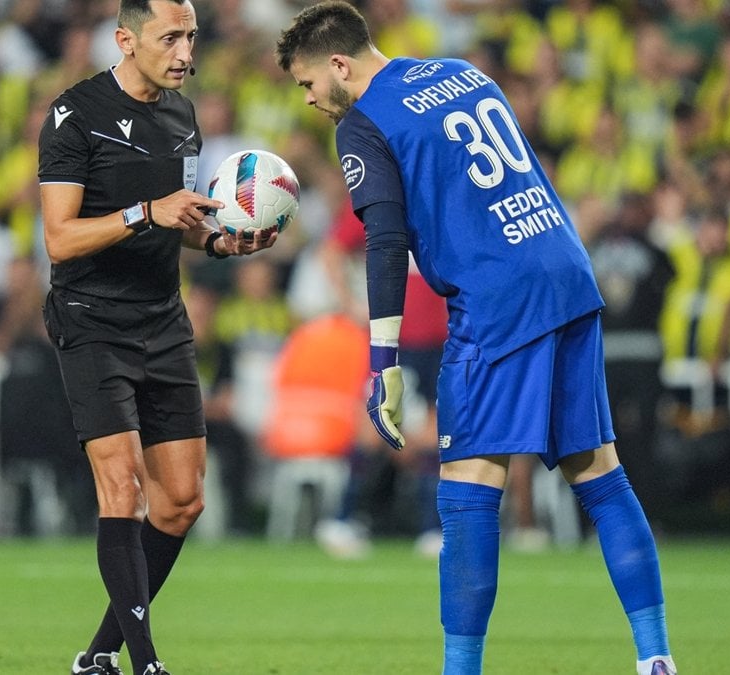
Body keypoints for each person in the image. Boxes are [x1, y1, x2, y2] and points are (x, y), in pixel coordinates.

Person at [276, 4, 675, 674]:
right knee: (600, 475)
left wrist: (384, 364)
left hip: (496, 297)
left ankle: (460, 671)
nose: (311, 98)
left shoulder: (364, 123)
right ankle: (656, 657)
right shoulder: (461, 74)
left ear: (339, 65)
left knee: (466, 490)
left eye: (308, 82)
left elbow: (384, 243)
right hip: (566, 272)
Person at [37, 2, 276, 674]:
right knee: (124, 490)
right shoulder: (72, 116)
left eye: (192, 37)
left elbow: (181, 222)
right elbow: (60, 237)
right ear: (126, 40)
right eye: (170, 37)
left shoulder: (183, 116)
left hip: (161, 319)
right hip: (91, 320)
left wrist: (222, 241)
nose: (184, 52)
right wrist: (145, 211)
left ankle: (97, 656)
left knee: (182, 499)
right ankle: (146, 665)